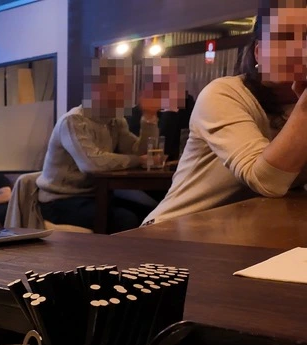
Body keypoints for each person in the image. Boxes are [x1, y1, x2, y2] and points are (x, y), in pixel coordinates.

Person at [145, 2, 307, 224]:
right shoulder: (223, 94)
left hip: (248, 236)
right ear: (258, 52)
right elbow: (267, 181)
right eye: (283, 37)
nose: (298, 48)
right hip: (171, 236)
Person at [37, 58, 159, 232]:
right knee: (126, 220)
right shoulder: (73, 121)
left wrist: (149, 116)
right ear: (96, 88)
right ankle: (113, 260)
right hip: (60, 201)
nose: (125, 94)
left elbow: (140, 151)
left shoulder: (116, 121)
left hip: (97, 196)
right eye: (119, 88)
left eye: (126, 87)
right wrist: (138, 160)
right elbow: (92, 163)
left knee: (152, 215)